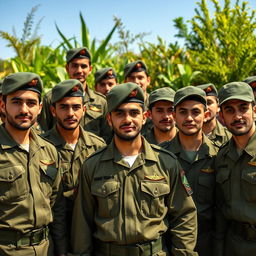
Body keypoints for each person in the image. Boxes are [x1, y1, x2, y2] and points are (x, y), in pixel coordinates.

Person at [71, 82, 198, 256]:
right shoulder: (92, 166)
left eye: (134, 113)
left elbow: (184, 215)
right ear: (109, 119)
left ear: (144, 116)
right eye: (120, 113)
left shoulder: (166, 163)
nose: (127, 120)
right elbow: (82, 224)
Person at [0, 72, 67, 256]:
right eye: (16, 102)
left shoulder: (49, 151)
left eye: (31, 103)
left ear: (39, 108)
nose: (24, 110)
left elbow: (57, 207)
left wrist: (61, 250)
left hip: (46, 248)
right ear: (2, 105)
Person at [42, 79, 106, 251]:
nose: (70, 113)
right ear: (53, 111)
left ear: (84, 110)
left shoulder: (98, 146)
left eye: (76, 107)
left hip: (91, 233)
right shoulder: (41, 147)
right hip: (52, 235)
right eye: (64, 107)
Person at [160, 86, 218, 256]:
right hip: (170, 243)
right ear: (174, 115)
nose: (189, 118)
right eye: (183, 112)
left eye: (195, 112)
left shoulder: (218, 155)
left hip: (208, 242)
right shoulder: (161, 156)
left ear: (206, 115)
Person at [215, 81, 256, 256]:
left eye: (243, 108)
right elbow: (220, 209)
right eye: (230, 110)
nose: (238, 116)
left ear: (254, 110)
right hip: (233, 245)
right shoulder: (222, 157)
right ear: (222, 117)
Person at [39, 47, 110, 142]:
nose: (79, 70)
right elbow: (44, 131)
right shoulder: (51, 98)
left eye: (83, 66)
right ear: (67, 68)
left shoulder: (101, 101)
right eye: (75, 66)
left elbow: (107, 136)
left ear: (90, 69)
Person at [196, 83, 231, 148]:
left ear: (218, 107)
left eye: (209, 103)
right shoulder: (184, 137)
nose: (205, 107)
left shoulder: (230, 137)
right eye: (201, 103)